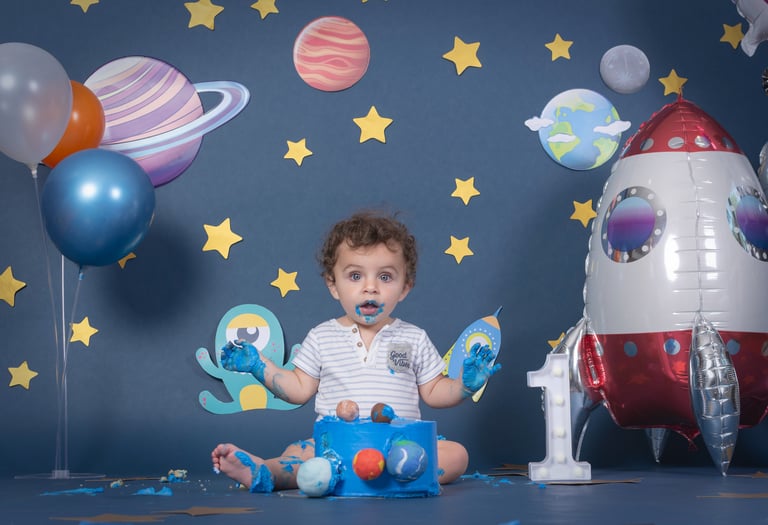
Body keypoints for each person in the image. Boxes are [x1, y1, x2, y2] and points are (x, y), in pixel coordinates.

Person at [211, 211, 501, 492]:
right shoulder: (322, 336)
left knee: (456, 454)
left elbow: (435, 391)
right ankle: (267, 472)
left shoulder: (414, 337)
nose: (370, 288)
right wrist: (258, 365)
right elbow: (297, 389)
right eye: (355, 276)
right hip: (335, 445)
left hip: (397, 446)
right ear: (333, 285)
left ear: (405, 288)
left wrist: (464, 385)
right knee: (299, 454)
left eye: (385, 277)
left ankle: (378, 475)